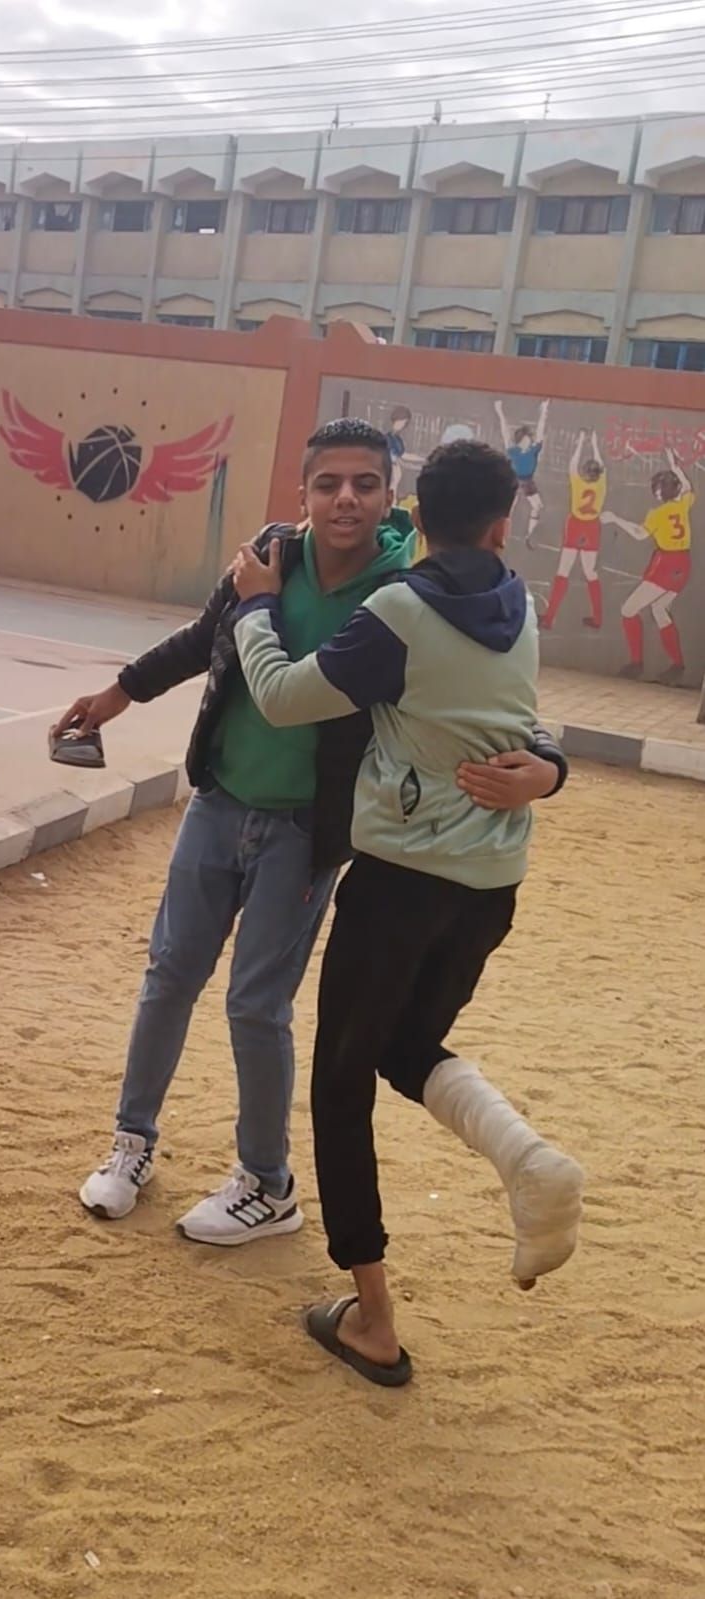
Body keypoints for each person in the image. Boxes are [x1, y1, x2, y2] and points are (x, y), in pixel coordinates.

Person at [53, 419, 567, 1247]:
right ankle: (131, 1141)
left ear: (392, 498)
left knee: (255, 1004)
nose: (344, 499)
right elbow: (204, 638)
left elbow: (482, 700)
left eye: (364, 483)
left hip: (305, 827)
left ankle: (266, 1179)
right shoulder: (271, 555)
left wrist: (545, 763)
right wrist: (120, 691)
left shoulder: (410, 591)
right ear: (303, 493)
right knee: (169, 974)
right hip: (220, 800)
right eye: (327, 483)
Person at [231, 439, 584, 1385]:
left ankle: (374, 1320)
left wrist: (257, 606)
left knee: (341, 1085)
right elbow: (517, 721)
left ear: (414, 517)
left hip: (400, 884)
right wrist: (550, 769)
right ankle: (525, 1157)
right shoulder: (519, 605)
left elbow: (282, 698)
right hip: (489, 888)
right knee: (402, 1049)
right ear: (503, 526)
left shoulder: (399, 610)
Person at [603, 451, 694, 684]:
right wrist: (675, 465)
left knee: (628, 610)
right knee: (660, 609)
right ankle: (677, 664)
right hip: (683, 563)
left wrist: (615, 519)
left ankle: (636, 663)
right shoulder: (683, 504)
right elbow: (687, 486)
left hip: (666, 563)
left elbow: (640, 533)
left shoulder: (658, 513)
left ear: (658, 492)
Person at [539, 430, 607, 631]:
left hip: (576, 524)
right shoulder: (601, 485)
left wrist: (580, 443)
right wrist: (595, 444)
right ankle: (598, 618)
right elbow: (602, 466)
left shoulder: (578, 482)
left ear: (585, 473)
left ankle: (549, 618)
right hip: (592, 526)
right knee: (590, 572)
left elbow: (572, 465)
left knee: (563, 571)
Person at [494, 397, 548, 547]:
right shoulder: (513, 450)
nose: (530, 440)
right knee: (509, 508)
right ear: (522, 439)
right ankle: (501, 533)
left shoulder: (533, 450)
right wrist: (500, 412)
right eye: (528, 438)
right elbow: (505, 431)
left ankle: (530, 535)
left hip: (527, 481)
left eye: (530, 438)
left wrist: (543, 412)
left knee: (537, 506)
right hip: (514, 480)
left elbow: (540, 431)